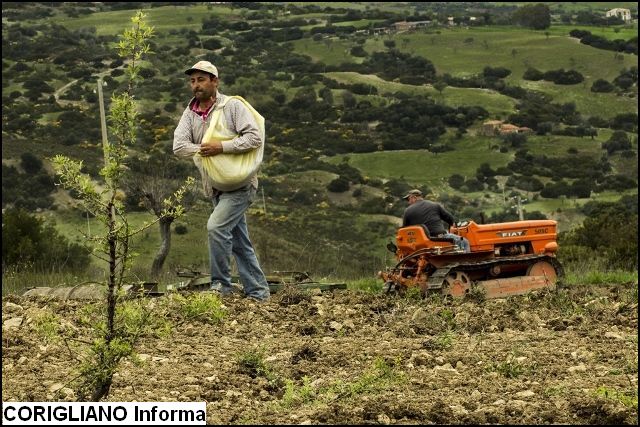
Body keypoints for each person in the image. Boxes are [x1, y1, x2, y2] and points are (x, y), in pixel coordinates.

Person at [173, 60, 270, 301]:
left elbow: (254, 138)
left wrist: (221, 147)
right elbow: (179, 146)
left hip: (241, 185)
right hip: (215, 187)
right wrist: (203, 149)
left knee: (216, 227)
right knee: (239, 241)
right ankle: (258, 293)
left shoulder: (232, 106)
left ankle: (221, 286)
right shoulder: (190, 113)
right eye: (193, 81)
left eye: (201, 80)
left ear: (215, 81)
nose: (196, 85)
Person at [401, 189, 470, 253]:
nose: (409, 202)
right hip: (439, 237)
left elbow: (405, 229)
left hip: (419, 242)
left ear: (414, 197)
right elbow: (450, 219)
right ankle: (466, 262)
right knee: (464, 241)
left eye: (408, 199)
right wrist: (453, 224)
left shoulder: (407, 211)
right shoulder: (435, 205)